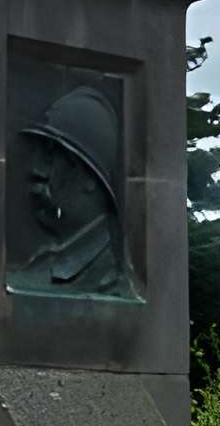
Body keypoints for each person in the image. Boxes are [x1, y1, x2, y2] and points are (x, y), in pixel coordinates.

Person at [9, 84, 136, 298]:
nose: (36, 170)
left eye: (51, 156)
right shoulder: (41, 265)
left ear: (89, 177)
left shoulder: (112, 277)